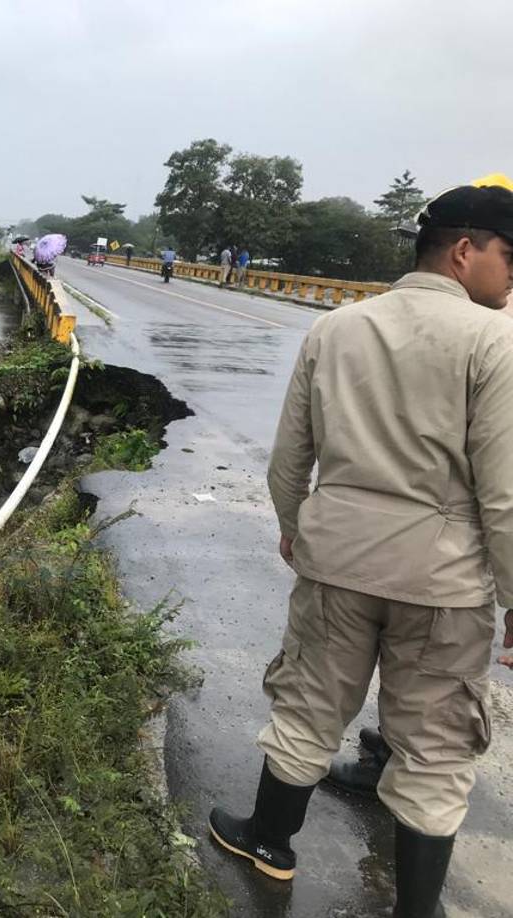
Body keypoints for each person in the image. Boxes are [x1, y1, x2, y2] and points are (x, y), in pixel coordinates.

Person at [207, 183, 513, 918]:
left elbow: (290, 460)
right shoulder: (494, 343)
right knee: (436, 749)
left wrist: (296, 526)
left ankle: (270, 844)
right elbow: (504, 494)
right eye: (512, 256)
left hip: (337, 563)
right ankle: (414, 909)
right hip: (444, 584)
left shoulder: (338, 329)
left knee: (308, 707)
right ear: (465, 251)